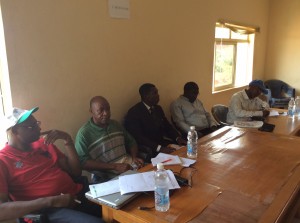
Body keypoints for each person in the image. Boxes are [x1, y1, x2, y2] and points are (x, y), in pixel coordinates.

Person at [0, 107, 103, 223]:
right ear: (14, 131)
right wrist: (51, 201)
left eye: (37, 123)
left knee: (121, 202)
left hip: (77, 194)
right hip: (48, 211)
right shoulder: (3, 160)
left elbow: (76, 172)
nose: (39, 128)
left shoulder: (44, 144)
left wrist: (67, 139)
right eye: (32, 126)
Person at [75, 96, 144, 183]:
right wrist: (114, 166)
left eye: (108, 109)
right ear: (91, 112)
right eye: (101, 111)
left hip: (131, 166)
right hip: (107, 175)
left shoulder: (115, 124)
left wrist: (134, 157)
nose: (106, 113)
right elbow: (83, 162)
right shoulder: (84, 134)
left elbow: (131, 142)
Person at [124, 83, 186, 162]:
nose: (158, 95)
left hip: (163, 143)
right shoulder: (134, 112)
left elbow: (167, 126)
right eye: (155, 93)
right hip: (149, 148)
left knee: (184, 152)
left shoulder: (158, 109)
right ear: (146, 96)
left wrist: (178, 138)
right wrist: (159, 148)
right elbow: (139, 137)